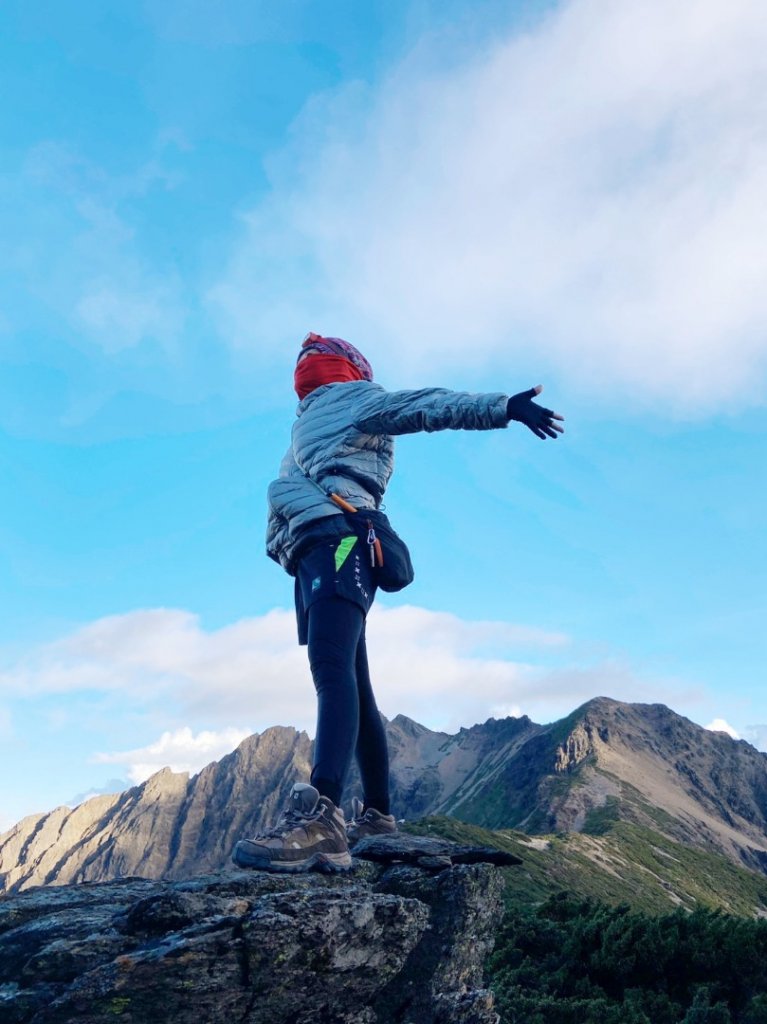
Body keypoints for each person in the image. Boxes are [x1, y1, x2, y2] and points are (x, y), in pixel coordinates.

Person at [232, 333, 564, 873]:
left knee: (333, 672)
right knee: (351, 678)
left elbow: (426, 407)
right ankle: (378, 816)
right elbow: (423, 408)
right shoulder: (316, 423)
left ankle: (322, 818)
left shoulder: (341, 408)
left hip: (334, 545)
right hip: (327, 550)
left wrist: (502, 408)